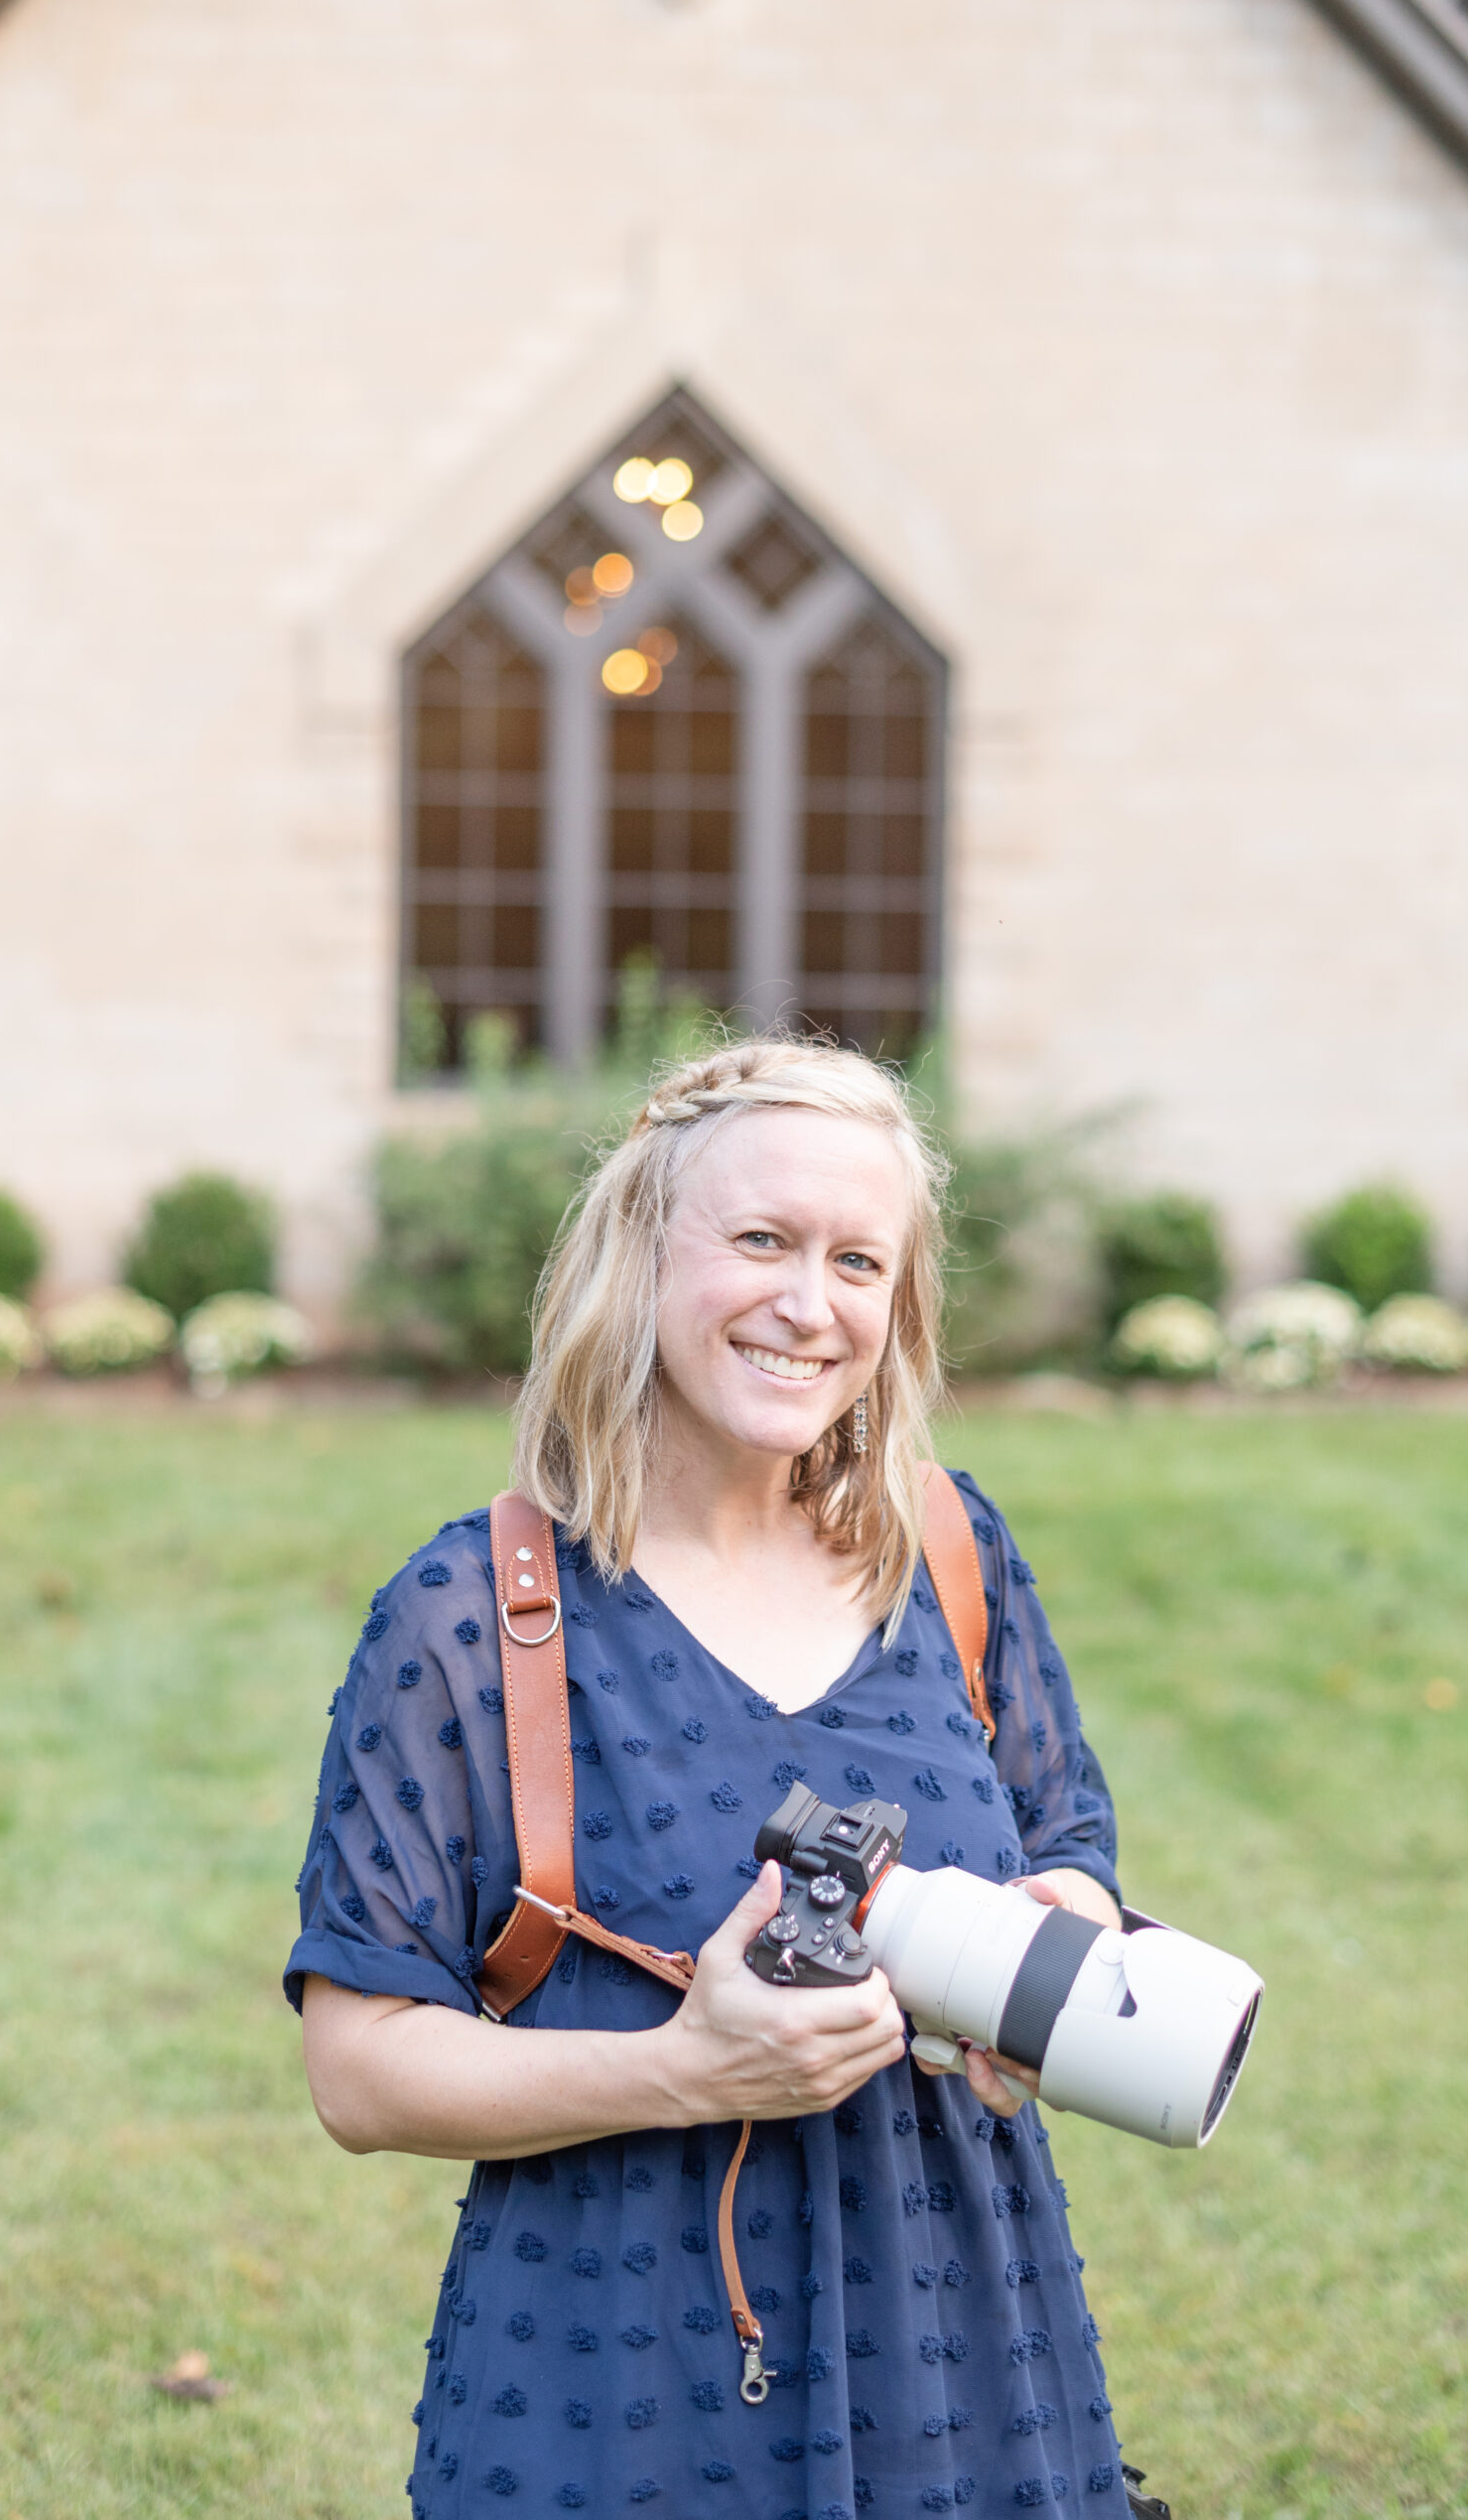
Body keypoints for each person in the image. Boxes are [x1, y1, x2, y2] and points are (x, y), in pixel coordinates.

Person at [287, 1039, 1134, 2518]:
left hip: (962, 2348)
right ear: (641, 1255)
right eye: (760, 1240)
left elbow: (1063, 1839)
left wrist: (1052, 1945)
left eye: (857, 1261)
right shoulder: (475, 1611)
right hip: (616, 2373)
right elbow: (359, 2071)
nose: (810, 1305)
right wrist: (686, 2069)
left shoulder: (944, 1551)